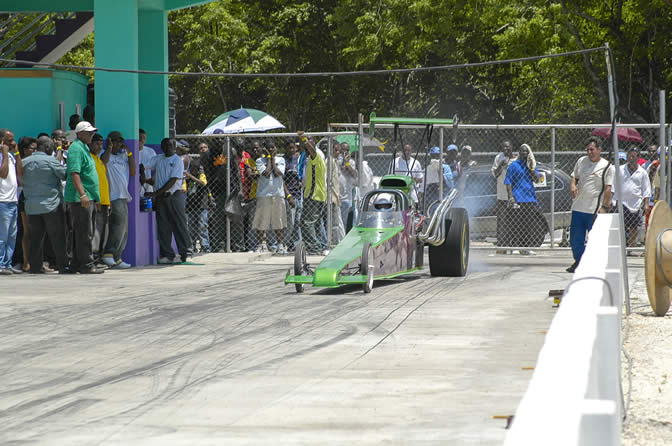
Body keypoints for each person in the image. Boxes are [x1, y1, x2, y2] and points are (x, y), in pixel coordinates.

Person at [566, 136, 615, 273]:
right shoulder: (581, 161)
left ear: (599, 149)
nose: (589, 152)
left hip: (594, 209)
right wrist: (572, 185)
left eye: (592, 149)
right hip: (578, 207)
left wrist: (604, 207)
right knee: (576, 239)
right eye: (587, 150)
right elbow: (574, 177)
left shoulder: (607, 167)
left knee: (595, 240)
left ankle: (594, 265)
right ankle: (579, 261)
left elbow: (608, 188)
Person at [21, 136, 68, 274]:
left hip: (31, 206)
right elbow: (64, 174)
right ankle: (63, 265)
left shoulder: (24, 162)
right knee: (58, 237)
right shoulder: (50, 161)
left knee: (35, 238)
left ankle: (35, 267)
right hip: (51, 205)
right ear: (47, 148)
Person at [64, 121, 104, 274]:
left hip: (89, 197)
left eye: (92, 133)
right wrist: (82, 194)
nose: (91, 135)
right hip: (80, 198)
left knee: (83, 231)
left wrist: (96, 198)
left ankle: (76, 263)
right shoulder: (76, 148)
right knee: (84, 232)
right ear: (79, 133)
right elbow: (74, 173)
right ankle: (87, 264)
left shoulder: (85, 148)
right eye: (88, 133)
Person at [144, 138, 191, 264]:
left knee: (179, 225)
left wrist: (155, 193)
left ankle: (186, 253)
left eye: (170, 145)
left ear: (174, 146)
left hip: (174, 196)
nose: (167, 147)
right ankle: (167, 255)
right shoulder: (158, 158)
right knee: (163, 227)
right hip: (161, 197)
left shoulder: (177, 160)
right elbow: (145, 165)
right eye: (164, 145)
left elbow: (172, 181)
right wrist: (142, 175)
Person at [101, 131, 135, 268]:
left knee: (124, 229)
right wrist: (109, 148)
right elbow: (103, 162)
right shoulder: (104, 154)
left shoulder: (122, 157)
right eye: (115, 141)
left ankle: (117, 257)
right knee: (118, 227)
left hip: (123, 196)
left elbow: (133, 172)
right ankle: (109, 254)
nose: (119, 144)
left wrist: (130, 154)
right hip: (113, 196)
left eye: (120, 141)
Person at [504, 144, 541, 255]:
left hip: (529, 199)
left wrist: (531, 168)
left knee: (528, 225)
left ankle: (526, 247)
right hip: (518, 198)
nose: (524, 153)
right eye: (522, 151)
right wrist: (510, 197)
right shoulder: (514, 165)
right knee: (516, 224)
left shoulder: (531, 165)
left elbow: (537, 179)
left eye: (526, 151)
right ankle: (515, 246)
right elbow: (508, 182)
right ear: (519, 152)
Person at [613, 147, 651, 250]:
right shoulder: (620, 169)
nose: (631, 158)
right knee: (622, 226)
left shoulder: (642, 172)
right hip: (622, 202)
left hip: (636, 203)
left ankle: (630, 248)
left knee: (634, 227)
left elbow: (646, 189)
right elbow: (614, 185)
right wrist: (612, 200)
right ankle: (621, 247)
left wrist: (646, 204)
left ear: (638, 157)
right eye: (629, 156)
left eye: (634, 156)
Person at [298, 131, 328, 255]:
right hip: (315, 194)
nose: (307, 142)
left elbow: (312, 151)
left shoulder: (316, 154)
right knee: (315, 223)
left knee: (306, 222)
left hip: (314, 194)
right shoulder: (307, 156)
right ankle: (319, 245)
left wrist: (304, 139)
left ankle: (314, 247)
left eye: (310, 140)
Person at [254, 142, 287, 253]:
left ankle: (280, 245)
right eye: (268, 148)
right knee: (262, 221)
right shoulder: (259, 161)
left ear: (276, 148)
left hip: (277, 194)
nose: (271, 149)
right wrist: (268, 158)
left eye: (272, 147)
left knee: (278, 220)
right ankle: (260, 245)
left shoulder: (281, 160)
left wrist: (272, 159)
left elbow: (278, 173)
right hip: (264, 195)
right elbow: (267, 173)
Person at [0, 128, 23, 274]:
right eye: (9, 140)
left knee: (11, 236)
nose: (12, 142)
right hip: (2, 200)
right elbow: (3, 174)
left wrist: (17, 153)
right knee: (2, 236)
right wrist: (4, 154)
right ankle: (1, 264)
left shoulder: (12, 156)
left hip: (13, 200)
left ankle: (8, 263)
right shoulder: (2, 156)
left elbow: (20, 175)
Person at [89, 133, 111, 266]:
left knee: (103, 232)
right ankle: (94, 259)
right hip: (96, 202)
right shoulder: (89, 159)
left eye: (101, 144)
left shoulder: (99, 160)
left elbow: (105, 159)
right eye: (96, 143)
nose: (99, 146)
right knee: (95, 232)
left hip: (104, 202)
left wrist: (108, 148)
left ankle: (99, 257)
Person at [185, 157, 212, 254]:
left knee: (202, 227)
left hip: (201, 206)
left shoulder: (201, 176)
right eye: (191, 169)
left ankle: (205, 247)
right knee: (191, 228)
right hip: (191, 206)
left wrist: (191, 177)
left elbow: (203, 183)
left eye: (194, 169)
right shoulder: (188, 179)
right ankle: (191, 247)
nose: (192, 171)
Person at [492, 140, 514, 253]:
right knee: (502, 222)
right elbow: (495, 174)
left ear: (511, 147)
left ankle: (512, 246)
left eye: (507, 147)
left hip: (514, 197)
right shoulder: (498, 157)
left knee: (513, 222)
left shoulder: (516, 159)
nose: (505, 149)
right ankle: (501, 247)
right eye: (503, 147)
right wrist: (501, 164)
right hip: (501, 195)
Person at [284, 142, 302, 249]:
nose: (292, 150)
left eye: (293, 148)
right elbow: (282, 180)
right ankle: (285, 243)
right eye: (289, 148)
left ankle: (296, 245)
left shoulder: (297, 160)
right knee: (290, 222)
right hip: (290, 195)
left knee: (298, 222)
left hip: (298, 194)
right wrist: (288, 195)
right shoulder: (284, 161)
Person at [337, 142, 358, 234]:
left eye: (347, 150)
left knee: (345, 222)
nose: (345, 152)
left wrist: (347, 164)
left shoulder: (351, 162)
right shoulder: (336, 160)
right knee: (337, 222)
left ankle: (343, 238)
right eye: (343, 150)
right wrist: (342, 162)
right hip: (336, 196)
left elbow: (355, 175)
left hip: (346, 197)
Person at [138, 129, 157, 197]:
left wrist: (153, 180)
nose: (141, 140)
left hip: (148, 183)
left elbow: (157, 167)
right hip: (136, 183)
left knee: (148, 204)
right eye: (139, 138)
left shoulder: (150, 151)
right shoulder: (129, 152)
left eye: (144, 138)